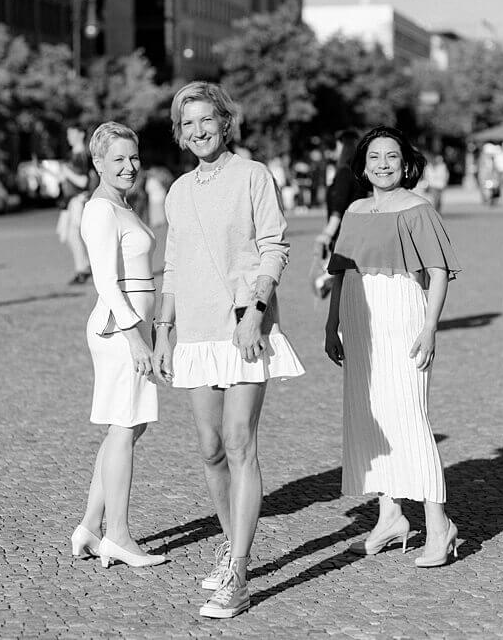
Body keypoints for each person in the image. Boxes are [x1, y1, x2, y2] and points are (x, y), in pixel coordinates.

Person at [152, 81, 304, 618]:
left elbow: (274, 247)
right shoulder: (176, 191)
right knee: (211, 448)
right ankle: (229, 544)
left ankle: (239, 574)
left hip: (244, 324)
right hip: (193, 332)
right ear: (179, 132)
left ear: (225, 121)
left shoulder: (254, 176)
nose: (198, 131)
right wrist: (163, 330)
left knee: (241, 442)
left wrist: (257, 313)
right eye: (187, 123)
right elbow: (172, 264)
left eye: (205, 120)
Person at [323, 126, 462, 567]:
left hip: (402, 312)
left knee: (408, 417)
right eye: (375, 157)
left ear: (406, 165)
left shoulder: (418, 208)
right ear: (363, 165)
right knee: (372, 417)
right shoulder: (354, 211)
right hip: (358, 316)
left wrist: (430, 326)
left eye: (392, 157)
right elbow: (340, 273)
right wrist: (332, 325)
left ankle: (439, 526)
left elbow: (438, 272)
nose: (384, 164)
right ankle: (390, 516)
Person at [70, 122, 165, 569]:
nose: (129, 166)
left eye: (134, 157)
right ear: (98, 164)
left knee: (126, 427)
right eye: (118, 160)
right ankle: (119, 535)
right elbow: (106, 281)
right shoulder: (100, 210)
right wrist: (135, 339)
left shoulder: (121, 204)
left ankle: (90, 526)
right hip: (118, 330)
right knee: (125, 427)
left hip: (129, 327)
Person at [312, 131, 364, 298]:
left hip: (343, 236)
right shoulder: (361, 174)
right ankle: (327, 281)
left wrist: (327, 234)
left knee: (343, 293)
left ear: (344, 146)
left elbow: (338, 208)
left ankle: (326, 281)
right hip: (358, 233)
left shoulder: (344, 173)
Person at [57, 125, 94, 285]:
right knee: (65, 234)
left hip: (78, 200)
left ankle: (83, 268)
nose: (68, 137)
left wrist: (66, 172)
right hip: (69, 201)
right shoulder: (73, 155)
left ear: (80, 134)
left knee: (73, 234)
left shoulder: (82, 155)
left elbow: (83, 181)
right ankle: (84, 267)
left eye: (71, 133)